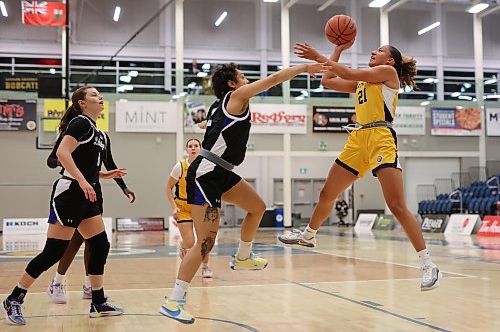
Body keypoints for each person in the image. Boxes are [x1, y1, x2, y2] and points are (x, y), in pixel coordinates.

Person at [159, 61, 327, 324]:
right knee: (205, 243)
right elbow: (274, 79)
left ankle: (243, 256)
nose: (247, 78)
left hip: (222, 171)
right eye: (242, 76)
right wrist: (304, 68)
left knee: (258, 207)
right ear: (232, 84)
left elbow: (211, 126)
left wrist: (208, 126)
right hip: (206, 173)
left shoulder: (220, 105)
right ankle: (174, 300)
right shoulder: (236, 97)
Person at [278, 41, 442, 291]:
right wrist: (337, 51)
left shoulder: (388, 74)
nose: (373, 52)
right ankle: (309, 236)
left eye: (379, 51)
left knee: (396, 205)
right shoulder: (365, 83)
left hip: (381, 138)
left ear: (390, 61)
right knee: (326, 193)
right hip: (357, 140)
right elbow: (328, 80)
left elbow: (347, 73)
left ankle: (429, 265)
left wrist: (317, 55)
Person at [2, 86, 125, 325]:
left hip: (86, 193)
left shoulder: (96, 131)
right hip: (70, 193)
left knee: (100, 244)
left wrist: (100, 175)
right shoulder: (80, 123)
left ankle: (98, 302)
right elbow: (62, 152)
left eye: (99, 94)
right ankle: (14, 298)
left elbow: (81, 160)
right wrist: (81, 180)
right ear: (81, 102)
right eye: (93, 95)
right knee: (54, 252)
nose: (99, 97)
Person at [45, 128, 136, 304]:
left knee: (93, 242)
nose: (100, 100)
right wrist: (69, 164)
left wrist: (123, 186)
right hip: (74, 187)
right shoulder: (73, 132)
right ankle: (57, 282)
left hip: (93, 189)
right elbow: (51, 160)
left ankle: (89, 286)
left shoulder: (102, 136)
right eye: (95, 97)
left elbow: (109, 163)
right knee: (74, 240)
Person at [166, 138, 213, 278]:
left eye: (196, 146)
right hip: (183, 207)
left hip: (199, 207)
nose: (193, 148)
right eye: (190, 146)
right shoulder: (180, 166)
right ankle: (183, 244)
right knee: (190, 242)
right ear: (187, 150)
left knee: (204, 240)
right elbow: (168, 188)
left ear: (200, 148)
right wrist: (174, 207)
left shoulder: (205, 166)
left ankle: (205, 267)